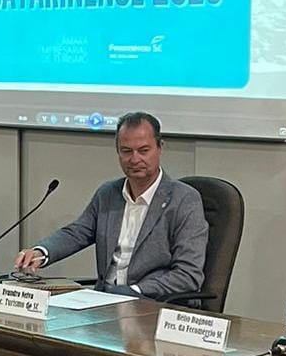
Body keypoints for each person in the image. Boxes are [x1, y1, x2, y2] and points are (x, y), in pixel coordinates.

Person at [14, 111, 207, 299]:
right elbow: (77, 233)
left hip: (150, 303)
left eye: (143, 151)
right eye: (126, 151)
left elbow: (188, 275)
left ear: (160, 148)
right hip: (104, 300)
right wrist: (41, 252)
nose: (135, 159)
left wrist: (135, 291)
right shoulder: (109, 193)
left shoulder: (184, 200)